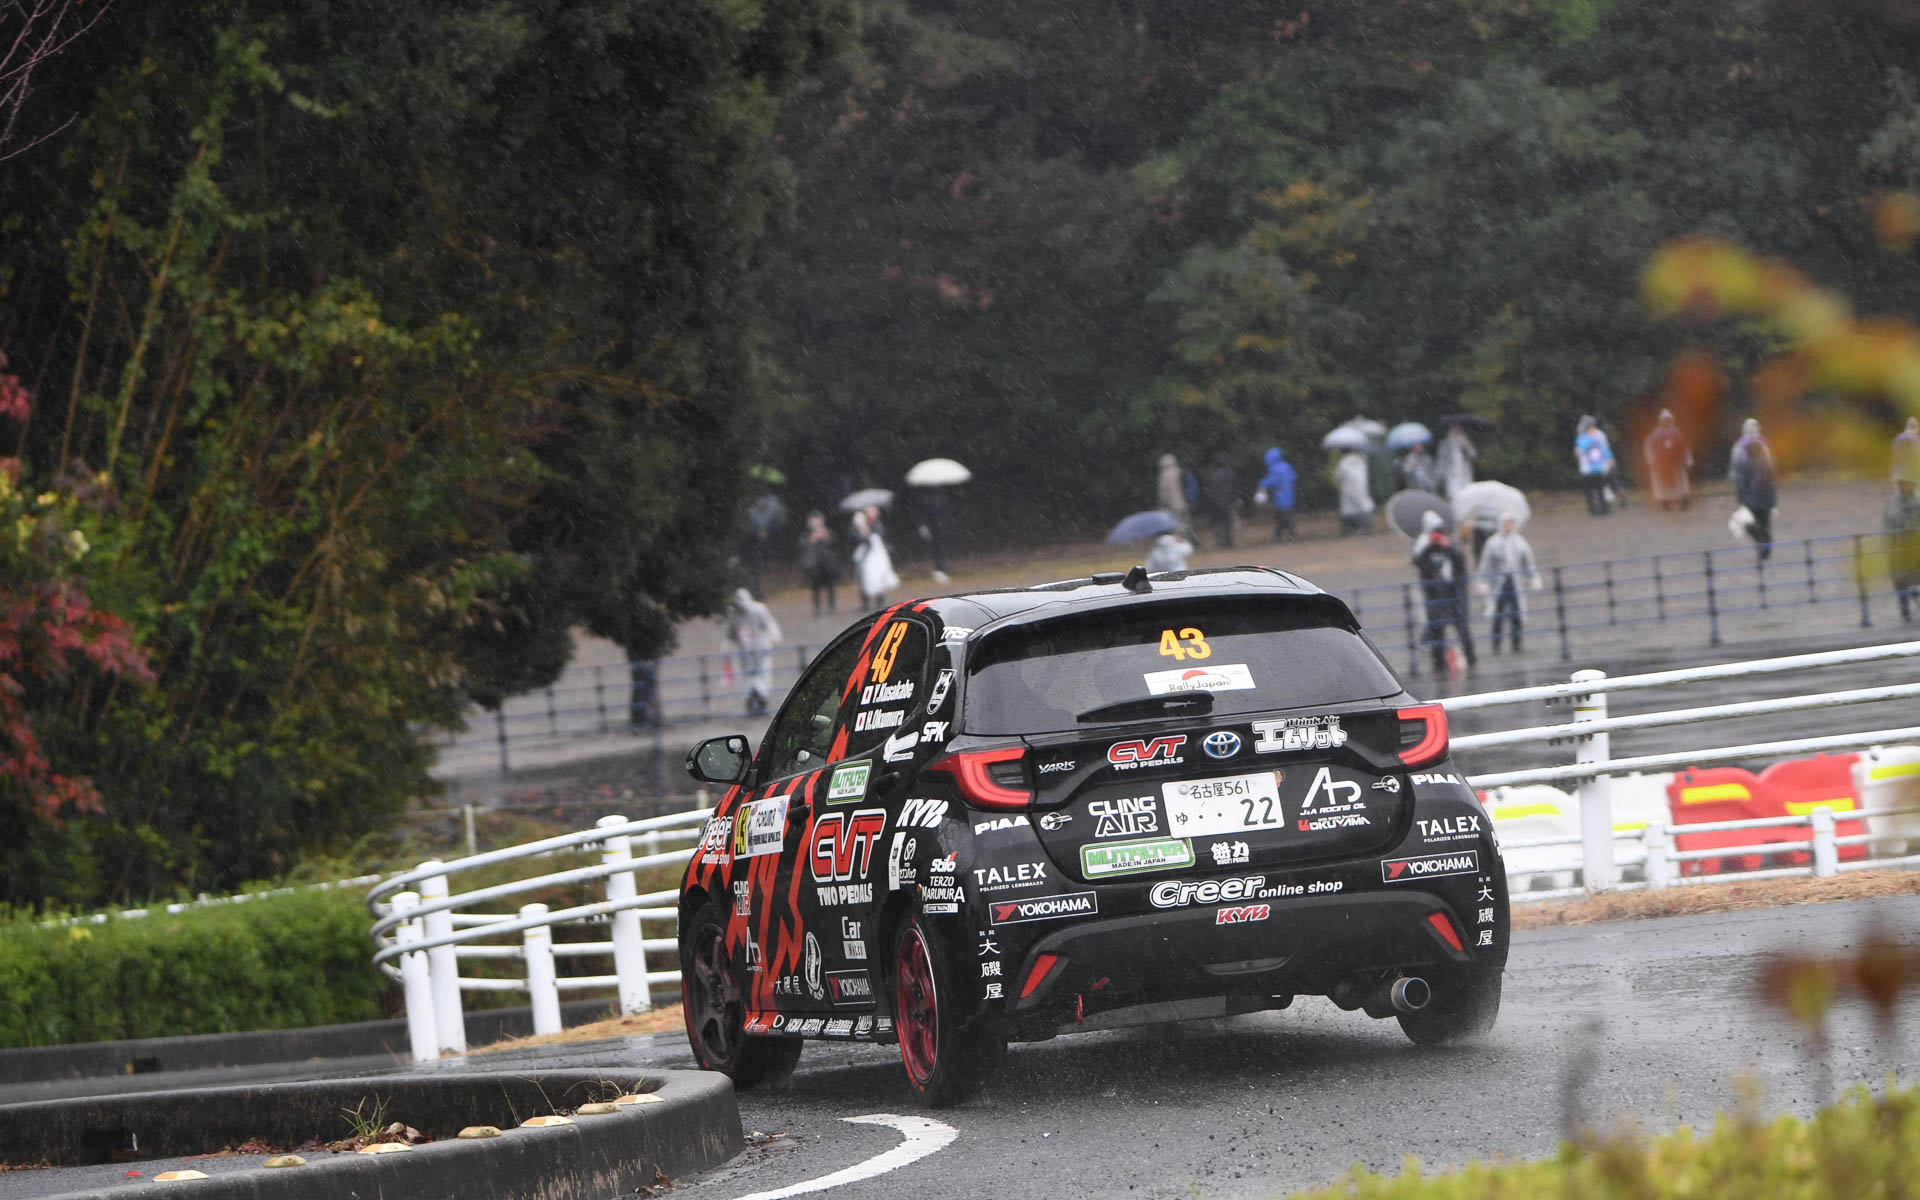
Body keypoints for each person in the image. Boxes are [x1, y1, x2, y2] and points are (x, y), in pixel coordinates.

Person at [1410, 509, 1475, 675]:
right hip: (1435, 596)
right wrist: (1428, 546)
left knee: (1462, 629)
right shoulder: (1427, 551)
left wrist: (1449, 547)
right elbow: (1419, 565)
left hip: (1454, 594)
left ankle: (1471, 658)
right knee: (1437, 631)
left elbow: (1461, 566)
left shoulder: (1451, 549)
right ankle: (1438, 664)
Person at [1475, 512, 1542, 653]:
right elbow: (1486, 564)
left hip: (1514, 582)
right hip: (1499, 582)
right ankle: (1496, 642)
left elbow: (1528, 562)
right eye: (1506, 523)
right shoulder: (1493, 543)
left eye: (1511, 523)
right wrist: (1483, 581)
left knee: (1516, 613)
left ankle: (1517, 642)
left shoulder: (1520, 542)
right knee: (1498, 614)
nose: (1508, 526)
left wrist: (1534, 577)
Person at [726, 587, 783, 716]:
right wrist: (729, 647)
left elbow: (769, 624)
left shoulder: (759, 610)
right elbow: (730, 633)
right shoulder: (733, 614)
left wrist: (775, 636)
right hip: (744, 652)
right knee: (746, 676)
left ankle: (762, 697)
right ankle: (750, 699)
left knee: (763, 673)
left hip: (761, 648)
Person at [1731, 417, 1778, 564]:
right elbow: (1771, 476)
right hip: (1763, 499)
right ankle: (1765, 548)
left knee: (1753, 525)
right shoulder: (1761, 448)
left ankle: (1762, 546)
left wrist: (1741, 498)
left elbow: (1740, 479)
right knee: (1764, 525)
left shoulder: (1743, 452)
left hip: (1753, 499)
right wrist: (1773, 501)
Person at [1643, 409, 1693, 511]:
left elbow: (1684, 447)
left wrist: (1688, 459)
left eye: (1668, 419)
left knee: (1680, 482)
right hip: (1661, 463)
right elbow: (1649, 448)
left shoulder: (1677, 432)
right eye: (1664, 419)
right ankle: (1665, 502)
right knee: (1662, 483)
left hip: (1676, 462)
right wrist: (1650, 459)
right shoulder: (1655, 434)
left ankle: (1684, 500)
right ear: (1660, 421)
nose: (1666, 421)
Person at [850, 510, 899, 609]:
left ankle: (880, 598)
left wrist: (868, 532)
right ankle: (865, 600)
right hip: (866, 555)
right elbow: (855, 538)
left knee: (879, 574)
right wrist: (862, 533)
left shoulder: (878, 525)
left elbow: (880, 536)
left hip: (877, 555)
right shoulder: (860, 525)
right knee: (864, 576)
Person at [1888, 476, 1920, 623]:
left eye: (1909, 484)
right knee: (1901, 581)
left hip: (1915, 547)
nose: (1907, 487)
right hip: (1899, 548)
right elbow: (1889, 522)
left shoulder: (1917, 501)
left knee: (1916, 579)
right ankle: (1905, 610)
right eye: (1904, 485)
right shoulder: (1893, 502)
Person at [1575, 415, 1615, 516]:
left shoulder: (1600, 435)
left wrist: (1610, 458)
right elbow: (1579, 451)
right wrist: (1590, 440)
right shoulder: (1582, 437)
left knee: (1601, 488)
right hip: (1587, 469)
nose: (1592, 428)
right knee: (1590, 490)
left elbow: (1605, 448)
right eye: (1589, 426)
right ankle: (1592, 509)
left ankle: (1604, 508)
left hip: (1600, 467)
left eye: (1593, 426)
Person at [800, 510, 838, 616]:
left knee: (830, 586)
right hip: (814, 564)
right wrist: (812, 539)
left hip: (828, 563)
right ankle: (816, 607)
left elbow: (835, 543)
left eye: (818, 520)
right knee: (815, 587)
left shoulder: (827, 531)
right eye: (813, 520)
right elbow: (802, 545)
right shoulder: (806, 534)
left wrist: (826, 537)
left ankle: (831, 605)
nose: (816, 522)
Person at [1255, 447, 1298, 541]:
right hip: (1289, 494)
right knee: (1283, 515)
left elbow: (1273, 481)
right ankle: (1280, 535)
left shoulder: (1275, 469)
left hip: (1280, 496)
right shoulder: (1287, 466)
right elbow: (1294, 477)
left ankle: (1290, 535)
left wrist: (1263, 483)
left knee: (1284, 516)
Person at [1201, 455, 1240, 549]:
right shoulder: (1231, 474)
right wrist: (1234, 499)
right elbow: (1235, 488)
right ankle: (1228, 540)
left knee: (1218, 522)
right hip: (1228, 501)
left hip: (1217, 502)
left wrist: (1211, 502)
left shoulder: (1213, 475)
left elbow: (1211, 491)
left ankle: (1220, 541)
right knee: (1228, 521)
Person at [1335, 449, 1374, 535]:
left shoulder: (1343, 461)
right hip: (1361, 486)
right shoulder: (1361, 460)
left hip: (1348, 488)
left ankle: (1348, 529)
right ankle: (1366, 527)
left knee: (1348, 509)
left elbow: (1338, 475)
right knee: (1363, 505)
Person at [1436, 424, 1476, 499]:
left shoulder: (1465, 441)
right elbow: (1442, 459)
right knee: (1453, 495)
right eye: (1453, 429)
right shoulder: (1445, 443)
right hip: (1451, 474)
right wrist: (1440, 473)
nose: (1455, 431)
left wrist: (1466, 447)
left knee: (1467, 494)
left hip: (1465, 474)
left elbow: (1472, 455)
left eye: (1457, 429)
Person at [1156, 453, 1191, 534]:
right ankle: (1186, 537)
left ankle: (1177, 537)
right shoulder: (1179, 471)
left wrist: (1163, 502)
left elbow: (1163, 491)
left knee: (1174, 523)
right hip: (1183, 502)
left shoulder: (1164, 475)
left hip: (1171, 504)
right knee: (1184, 522)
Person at [1894, 417, 1920, 487]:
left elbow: (1896, 455)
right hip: (1912, 475)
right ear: (1917, 427)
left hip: (1900, 473)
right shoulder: (1916, 439)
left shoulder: (1898, 438)